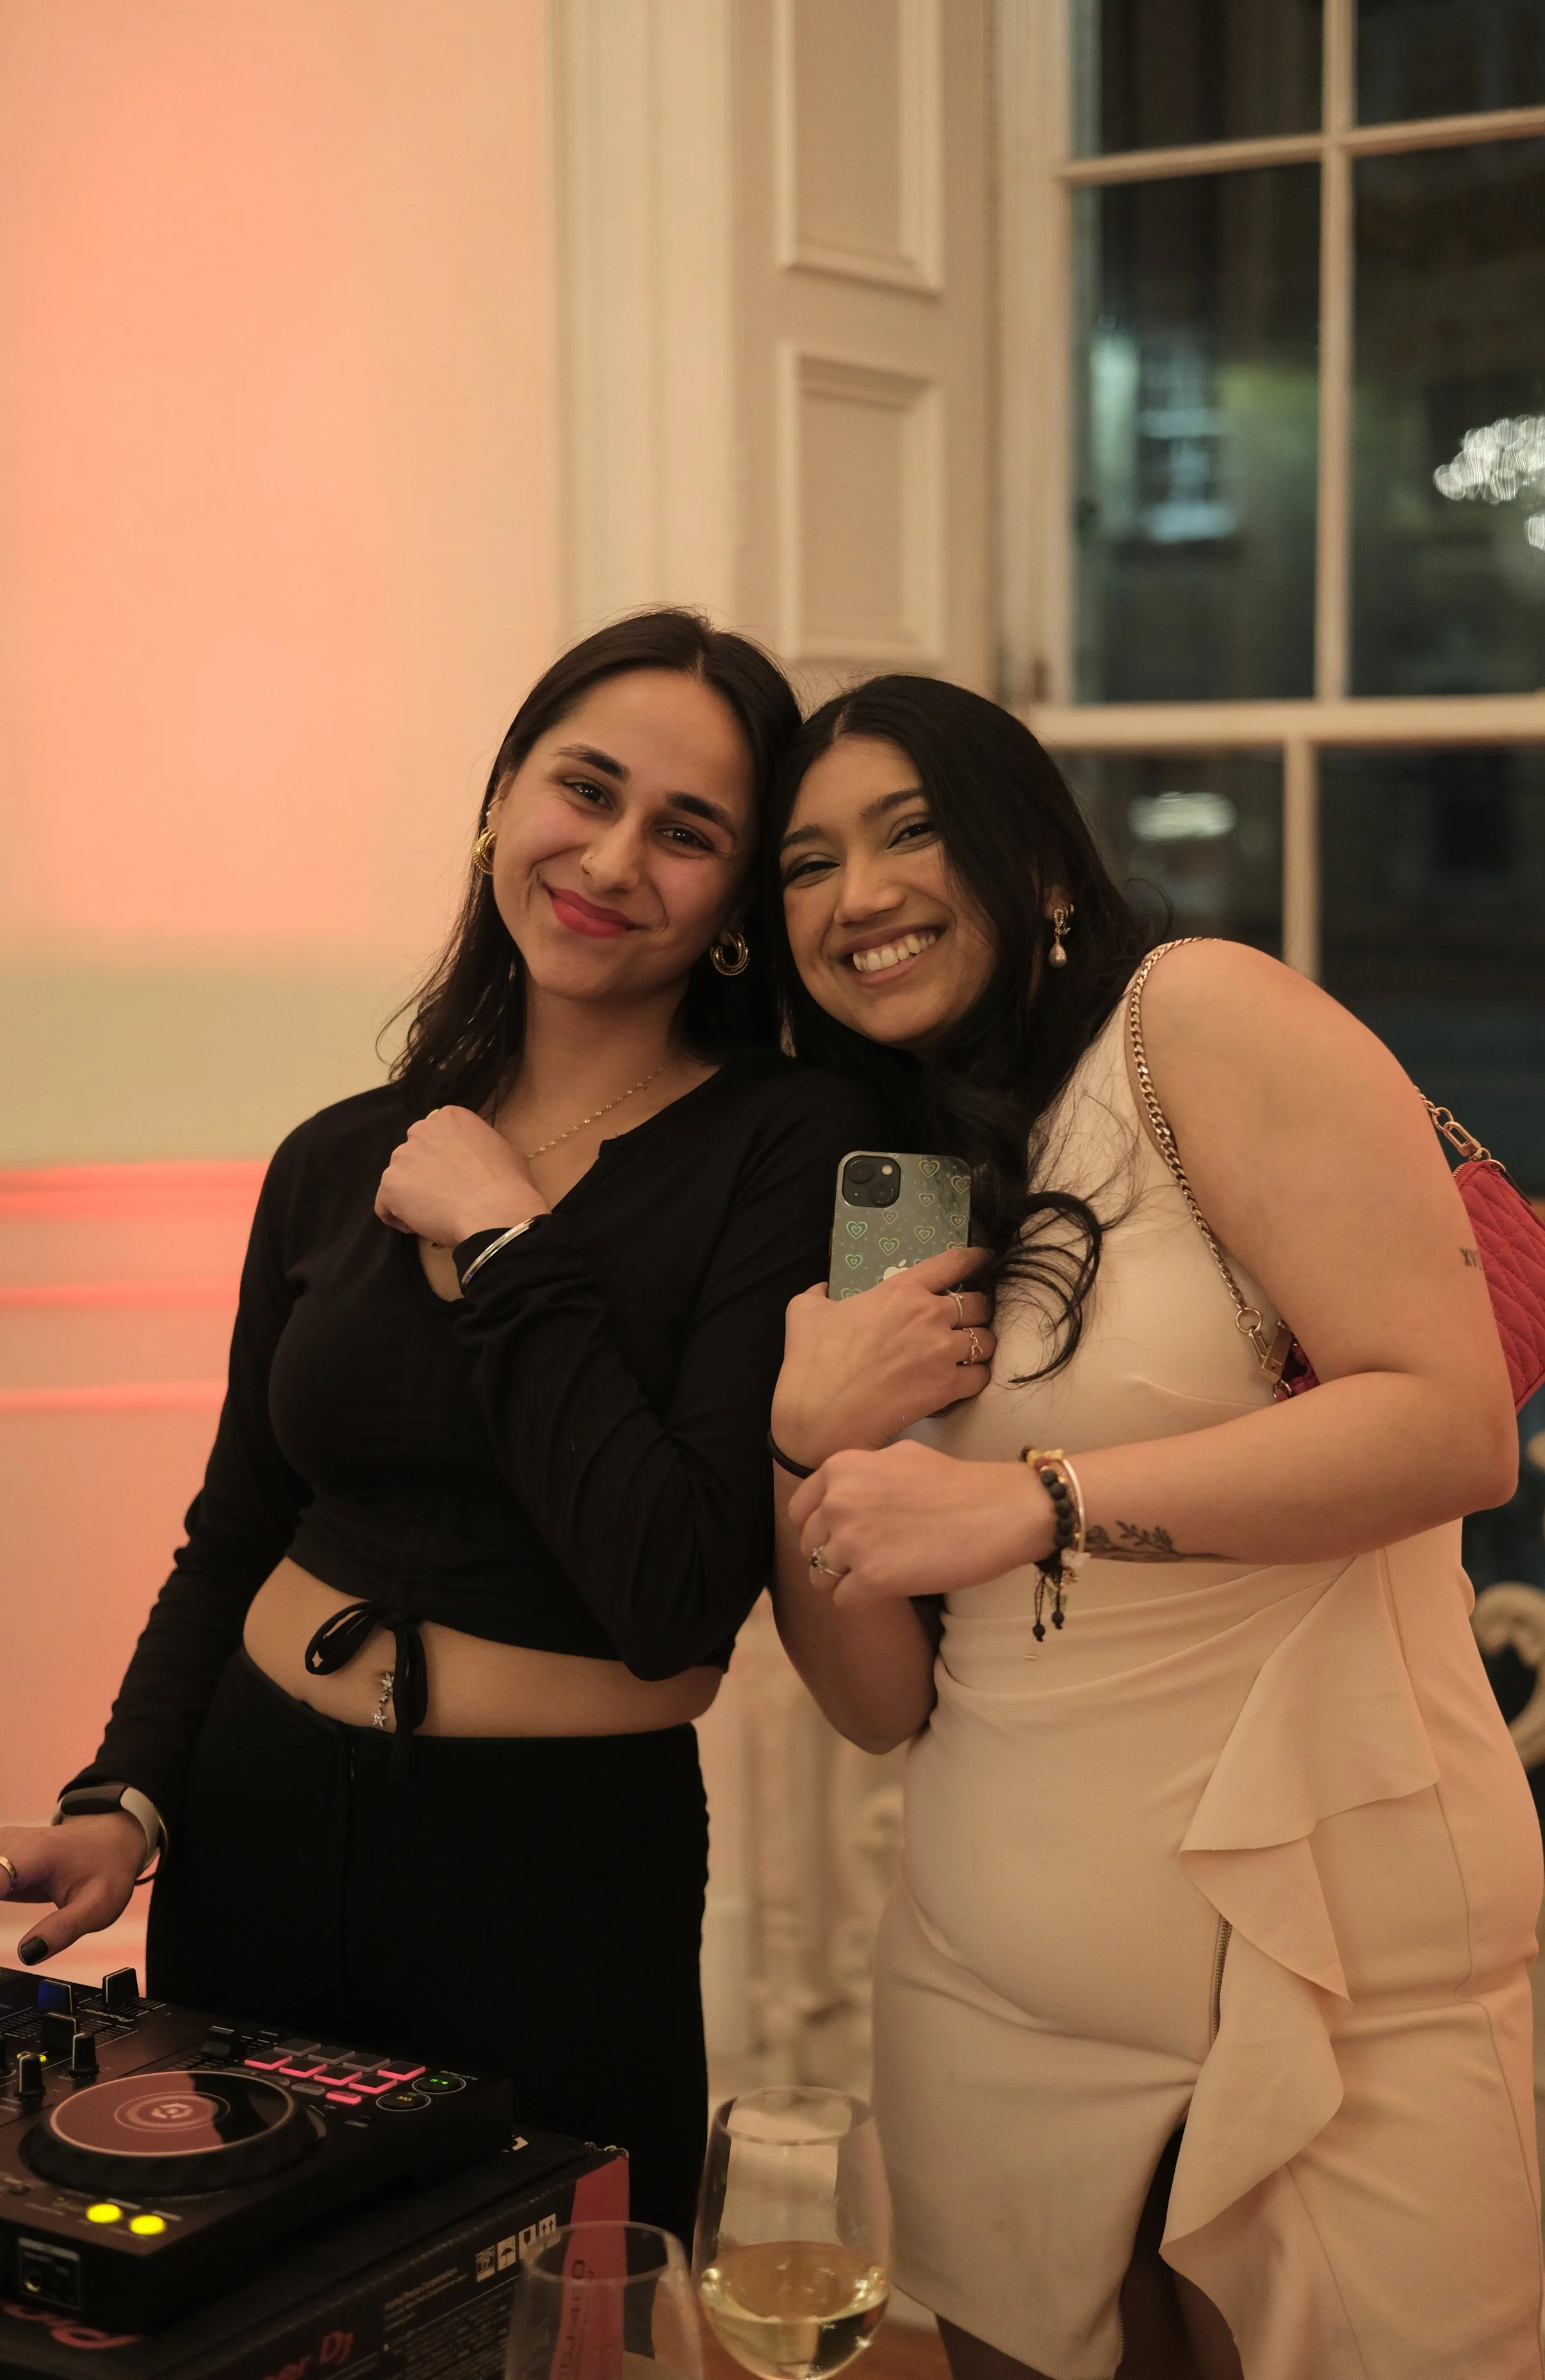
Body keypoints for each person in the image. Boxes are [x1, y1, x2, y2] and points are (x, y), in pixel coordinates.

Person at [0, 609, 926, 2249]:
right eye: (584, 789)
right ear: (502, 800)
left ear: (732, 906)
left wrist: (507, 1249)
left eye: (688, 831)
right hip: (256, 1825)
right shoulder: (341, 1153)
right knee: (246, 2320)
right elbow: (237, 1528)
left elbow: (670, 1589)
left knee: (544, 2320)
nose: (615, 856)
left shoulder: (789, 1145)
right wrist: (124, 1796)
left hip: (552, 1880)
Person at [760, 675, 1544, 2380]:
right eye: (804, 862)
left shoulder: (1194, 1019)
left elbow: (1453, 1418)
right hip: (984, 1992)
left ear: (1037, 860)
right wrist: (799, 1449)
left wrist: (1031, 1499)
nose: (856, 893)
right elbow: (879, 1699)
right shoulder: (904, 1174)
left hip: (1339, 1989)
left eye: (905, 829)